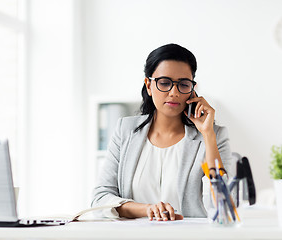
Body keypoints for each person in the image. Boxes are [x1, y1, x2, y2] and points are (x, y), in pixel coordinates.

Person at [91, 43, 231, 221]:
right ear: (149, 85)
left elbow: (224, 204)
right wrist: (147, 209)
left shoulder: (214, 135)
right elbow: (100, 199)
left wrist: (208, 135)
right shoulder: (125, 130)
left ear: (193, 89)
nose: (174, 92)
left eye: (183, 84)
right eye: (164, 83)